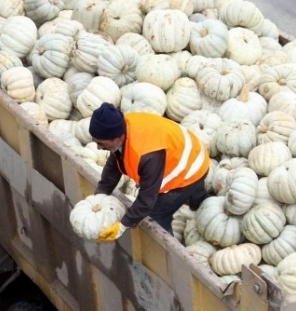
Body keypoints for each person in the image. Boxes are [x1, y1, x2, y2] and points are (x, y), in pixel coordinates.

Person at [89, 102, 210, 243]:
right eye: (95, 142)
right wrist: (99, 196)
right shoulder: (122, 127)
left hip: (192, 168)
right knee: (197, 198)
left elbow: (146, 201)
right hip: (189, 151)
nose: (98, 147)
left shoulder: (147, 155)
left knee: (156, 216)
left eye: (101, 143)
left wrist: (122, 226)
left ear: (118, 138)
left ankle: (170, 253)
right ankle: (201, 204)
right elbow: (114, 164)